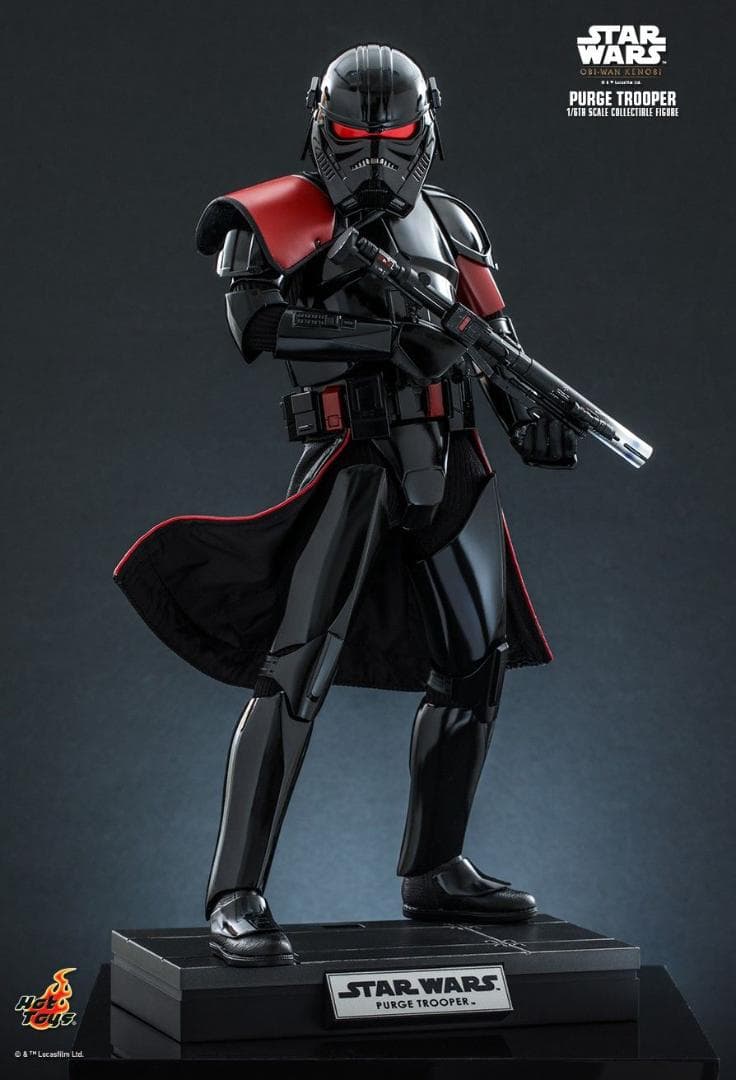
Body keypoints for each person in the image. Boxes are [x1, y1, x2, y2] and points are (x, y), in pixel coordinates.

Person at [115, 44, 577, 966]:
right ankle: (236, 892)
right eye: (354, 135)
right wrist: (389, 339)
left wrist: (531, 410)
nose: (372, 157)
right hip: (353, 459)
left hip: (448, 460)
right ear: (320, 123)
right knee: (296, 671)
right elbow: (257, 325)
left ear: (425, 127)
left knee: (475, 663)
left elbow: (495, 336)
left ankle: (434, 866)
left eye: (393, 136)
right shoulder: (278, 213)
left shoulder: (451, 221)